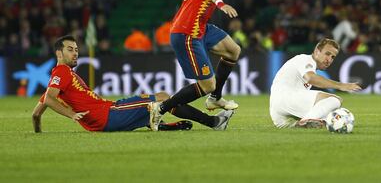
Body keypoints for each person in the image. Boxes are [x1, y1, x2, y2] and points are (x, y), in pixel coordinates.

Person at [31, 35, 235, 133]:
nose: (75, 52)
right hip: (107, 116)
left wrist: (38, 133)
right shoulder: (61, 72)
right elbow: (49, 99)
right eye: (70, 49)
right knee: (162, 99)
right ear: (59, 53)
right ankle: (213, 123)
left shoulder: (59, 77)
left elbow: (36, 113)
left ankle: (159, 124)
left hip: (110, 110)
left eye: (76, 49)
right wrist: (72, 115)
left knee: (159, 98)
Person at [148, 0, 241, 131]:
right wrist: (219, 3)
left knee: (233, 50)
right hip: (188, 32)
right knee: (207, 84)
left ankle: (215, 98)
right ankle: (160, 109)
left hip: (201, 27)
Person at [269, 38, 362, 128]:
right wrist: (341, 86)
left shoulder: (305, 65)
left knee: (325, 112)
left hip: (277, 112)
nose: (329, 60)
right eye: (327, 54)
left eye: (332, 57)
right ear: (317, 51)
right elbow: (310, 78)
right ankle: (308, 120)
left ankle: (310, 123)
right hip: (286, 98)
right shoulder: (305, 59)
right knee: (335, 100)